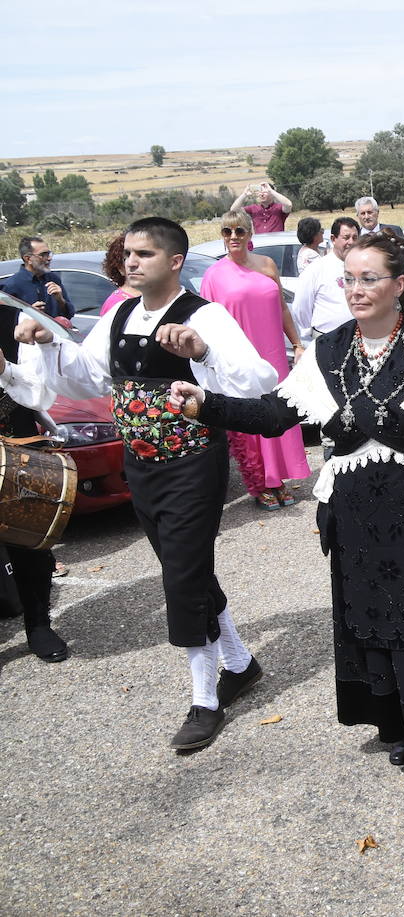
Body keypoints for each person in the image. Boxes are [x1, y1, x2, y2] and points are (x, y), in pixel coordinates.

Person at [170, 233, 404, 792]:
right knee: (375, 619)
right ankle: (399, 724)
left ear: (400, 285)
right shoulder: (327, 349)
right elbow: (276, 414)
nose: (355, 289)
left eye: (369, 278)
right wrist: (207, 405)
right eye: (348, 278)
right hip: (358, 509)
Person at [16, 217, 278, 751]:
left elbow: (259, 381)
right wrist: (49, 341)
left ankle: (205, 700)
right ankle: (241, 663)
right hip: (142, 466)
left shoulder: (204, 316)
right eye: (129, 254)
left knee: (181, 576)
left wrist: (201, 352)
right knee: (187, 570)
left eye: (145, 254)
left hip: (192, 462)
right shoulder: (121, 314)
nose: (131, 262)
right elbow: (85, 376)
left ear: (175, 261)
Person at [200, 210, 310, 510]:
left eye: (239, 231)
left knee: (277, 412)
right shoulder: (214, 275)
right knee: (247, 416)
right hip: (239, 357)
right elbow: (206, 323)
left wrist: (297, 344)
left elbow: (282, 309)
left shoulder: (267, 264)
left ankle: (278, 479)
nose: (233, 237)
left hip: (273, 352)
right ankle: (259, 484)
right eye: (227, 231)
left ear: (250, 234)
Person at [0, 306, 69, 663]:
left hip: (19, 455)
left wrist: (4, 370)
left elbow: (43, 396)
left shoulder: (15, 321)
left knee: (29, 548)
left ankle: (38, 624)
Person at [292, 217, 360, 346]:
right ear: (334, 239)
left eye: (355, 238)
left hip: (360, 339)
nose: (351, 242)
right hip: (328, 340)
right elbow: (301, 305)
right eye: (346, 237)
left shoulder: (364, 267)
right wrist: (308, 330)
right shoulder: (317, 268)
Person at [2, 237, 72, 320]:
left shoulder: (53, 278)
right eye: (43, 255)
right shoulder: (11, 286)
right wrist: (29, 313)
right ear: (28, 259)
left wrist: (60, 300)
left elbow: (69, 314)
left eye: (48, 254)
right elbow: (5, 323)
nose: (49, 258)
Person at [99, 233, 139, 316]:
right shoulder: (116, 304)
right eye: (127, 258)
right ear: (120, 268)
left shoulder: (153, 297)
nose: (134, 264)